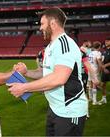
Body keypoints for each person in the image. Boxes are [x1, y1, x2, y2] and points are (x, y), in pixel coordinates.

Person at [8, 8, 88, 136]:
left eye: (42, 23)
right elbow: (46, 73)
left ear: (53, 24)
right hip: (55, 109)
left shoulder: (64, 44)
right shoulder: (52, 45)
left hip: (69, 111)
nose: (40, 28)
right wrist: (26, 72)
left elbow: (58, 78)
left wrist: (25, 87)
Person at [98, 37, 110, 104]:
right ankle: (104, 98)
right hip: (105, 70)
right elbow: (101, 60)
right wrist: (104, 68)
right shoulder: (104, 50)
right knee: (102, 84)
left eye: (108, 41)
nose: (106, 42)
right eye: (105, 41)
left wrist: (104, 66)